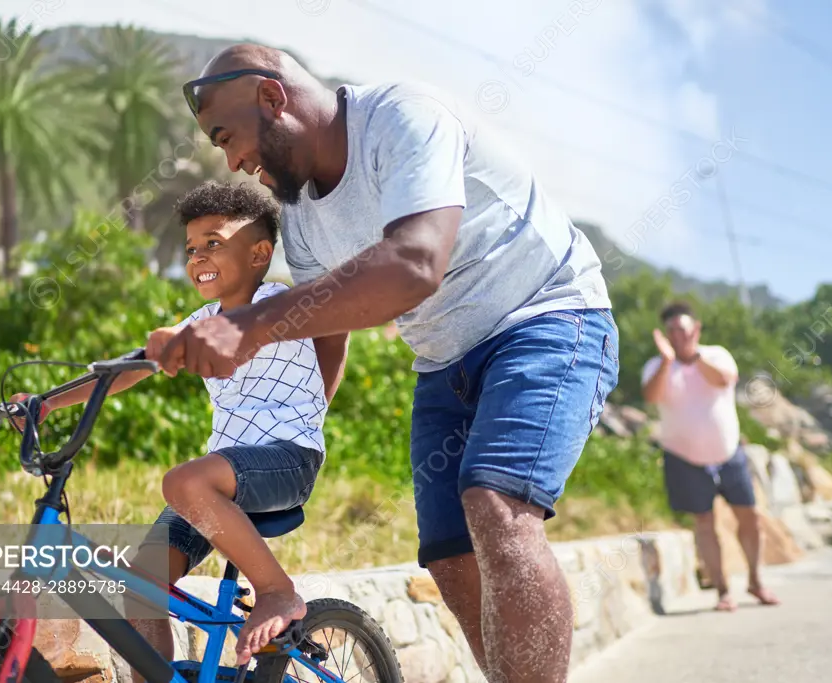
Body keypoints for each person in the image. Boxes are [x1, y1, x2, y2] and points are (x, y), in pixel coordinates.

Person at [156, 43, 619, 682]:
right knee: (450, 554)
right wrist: (297, 424)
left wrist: (251, 325)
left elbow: (414, 263)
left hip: (546, 318)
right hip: (442, 358)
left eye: (227, 137)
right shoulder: (299, 215)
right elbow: (330, 320)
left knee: (496, 506)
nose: (234, 161)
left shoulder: (405, 117)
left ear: (272, 97)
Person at [11, 182, 332, 669]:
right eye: (191, 248)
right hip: (223, 477)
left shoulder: (277, 301)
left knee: (183, 480)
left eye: (214, 243)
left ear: (260, 253)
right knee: (142, 586)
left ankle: (277, 591)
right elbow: (129, 369)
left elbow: (269, 324)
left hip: (287, 459)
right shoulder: (201, 318)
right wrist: (47, 404)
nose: (198, 255)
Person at [641, 301, 780, 612]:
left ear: (696, 329)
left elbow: (723, 379)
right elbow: (651, 396)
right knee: (704, 523)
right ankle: (722, 591)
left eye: (683, 329)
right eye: (672, 331)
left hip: (729, 453)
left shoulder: (717, 355)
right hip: (683, 457)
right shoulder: (656, 366)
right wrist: (668, 361)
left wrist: (692, 357)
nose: (678, 336)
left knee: (749, 517)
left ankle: (756, 581)